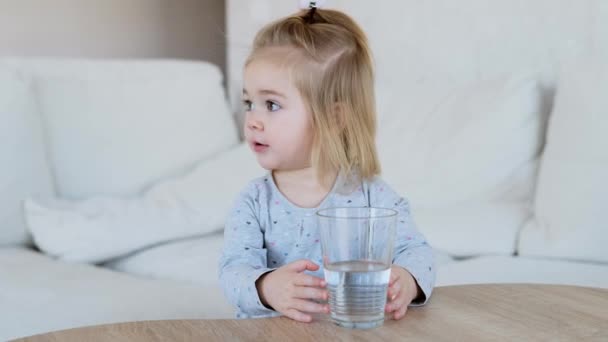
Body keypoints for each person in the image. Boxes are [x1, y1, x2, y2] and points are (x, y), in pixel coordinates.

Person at [219, 3, 435, 323]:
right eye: (249, 102)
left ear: (333, 118)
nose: (252, 120)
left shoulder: (372, 197)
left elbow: (418, 253)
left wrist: (407, 280)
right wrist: (267, 287)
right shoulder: (254, 201)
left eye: (272, 105)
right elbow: (233, 270)